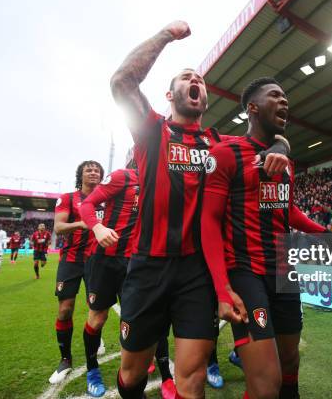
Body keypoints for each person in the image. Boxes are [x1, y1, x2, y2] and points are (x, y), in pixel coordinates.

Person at [110, 21, 290, 399]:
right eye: (188, 78)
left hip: (197, 273)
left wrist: (281, 148)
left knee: (191, 380)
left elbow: (270, 139)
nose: (197, 81)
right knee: (131, 374)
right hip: (148, 267)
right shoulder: (151, 131)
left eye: (201, 80)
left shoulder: (221, 144)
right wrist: (163, 37)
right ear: (170, 94)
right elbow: (122, 82)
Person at [201, 77, 326, 399]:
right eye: (275, 96)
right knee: (265, 385)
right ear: (252, 108)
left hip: (284, 270)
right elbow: (210, 220)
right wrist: (222, 288)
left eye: (286, 96)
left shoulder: (286, 161)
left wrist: (326, 233)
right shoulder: (225, 153)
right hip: (245, 272)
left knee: (290, 361)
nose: (284, 101)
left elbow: (289, 211)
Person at [79, 164, 177, 398]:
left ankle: (167, 376)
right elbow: (86, 204)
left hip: (140, 264)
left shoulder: (165, 179)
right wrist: (98, 227)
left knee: (152, 317)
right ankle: (92, 370)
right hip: (106, 261)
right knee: (98, 317)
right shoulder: (123, 176)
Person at [49, 161, 104, 385]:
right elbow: (59, 227)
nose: (93, 172)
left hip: (98, 261)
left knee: (97, 313)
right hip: (71, 260)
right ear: (80, 175)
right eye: (89, 170)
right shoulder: (68, 198)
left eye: (97, 170)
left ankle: (94, 352)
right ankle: (65, 359)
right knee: (65, 310)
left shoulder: (107, 198)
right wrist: (84, 223)